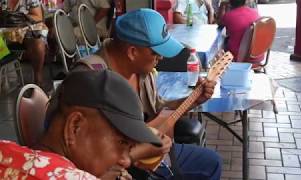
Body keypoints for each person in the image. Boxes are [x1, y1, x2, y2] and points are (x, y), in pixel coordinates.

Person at [74, 8, 222, 179]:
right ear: (132, 52)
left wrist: (193, 99)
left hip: (147, 156)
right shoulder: (91, 79)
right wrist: (136, 154)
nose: (161, 58)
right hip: (113, 168)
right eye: (156, 52)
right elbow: (87, 154)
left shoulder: (141, 71)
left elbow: (158, 108)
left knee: (212, 161)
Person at [0, 70, 163, 179]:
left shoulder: (5, 150)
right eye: (122, 142)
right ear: (74, 126)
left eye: (129, 149)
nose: (126, 161)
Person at [6, 0, 48, 86]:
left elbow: (38, 16)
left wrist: (20, 17)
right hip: (5, 33)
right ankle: (6, 71)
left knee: (37, 42)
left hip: (25, 29)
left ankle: (38, 78)